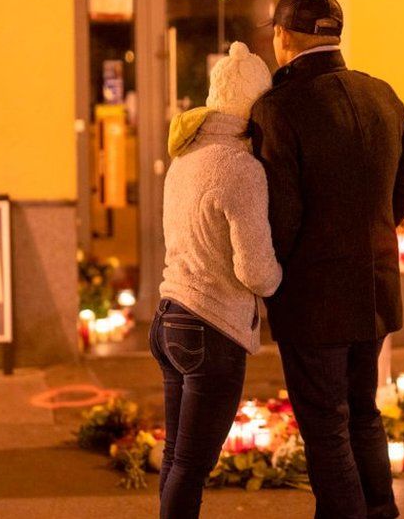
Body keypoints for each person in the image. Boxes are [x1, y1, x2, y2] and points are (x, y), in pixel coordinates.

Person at [250, 0, 404, 519]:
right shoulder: (382, 94)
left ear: (282, 37)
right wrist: (366, 230)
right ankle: (381, 512)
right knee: (362, 414)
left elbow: (282, 217)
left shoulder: (280, 108)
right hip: (373, 291)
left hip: (314, 300)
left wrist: (270, 276)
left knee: (326, 425)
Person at [151, 42, 282, 519]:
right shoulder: (242, 169)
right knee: (193, 465)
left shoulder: (184, 157)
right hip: (212, 327)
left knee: (176, 457)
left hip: (169, 318)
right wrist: (283, 275)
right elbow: (256, 273)